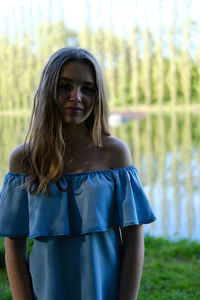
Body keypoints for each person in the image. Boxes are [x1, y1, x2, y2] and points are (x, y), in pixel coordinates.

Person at [0, 47, 156, 300]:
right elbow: (14, 250)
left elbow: (134, 243)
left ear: (98, 96)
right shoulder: (23, 160)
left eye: (88, 88)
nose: (77, 96)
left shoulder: (114, 154)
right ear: (48, 91)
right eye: (65, 86)